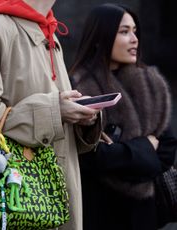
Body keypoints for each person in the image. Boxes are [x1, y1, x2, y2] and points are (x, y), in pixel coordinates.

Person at [0, 0, 100, 229]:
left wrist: (82, 117)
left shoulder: (49, 33)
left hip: (51, 201)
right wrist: (53, 110)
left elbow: (54, 120)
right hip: (8, 204)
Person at [70, 3, 177, 230]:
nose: (134, 39)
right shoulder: (76, 88)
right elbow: (87, 157)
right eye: (124, 32)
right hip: (97, 212)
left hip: (145, 214)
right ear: (101, 37)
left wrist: (117, 152)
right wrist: (145, 148)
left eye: (135, 31)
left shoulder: (153, 84)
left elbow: (167, 150)